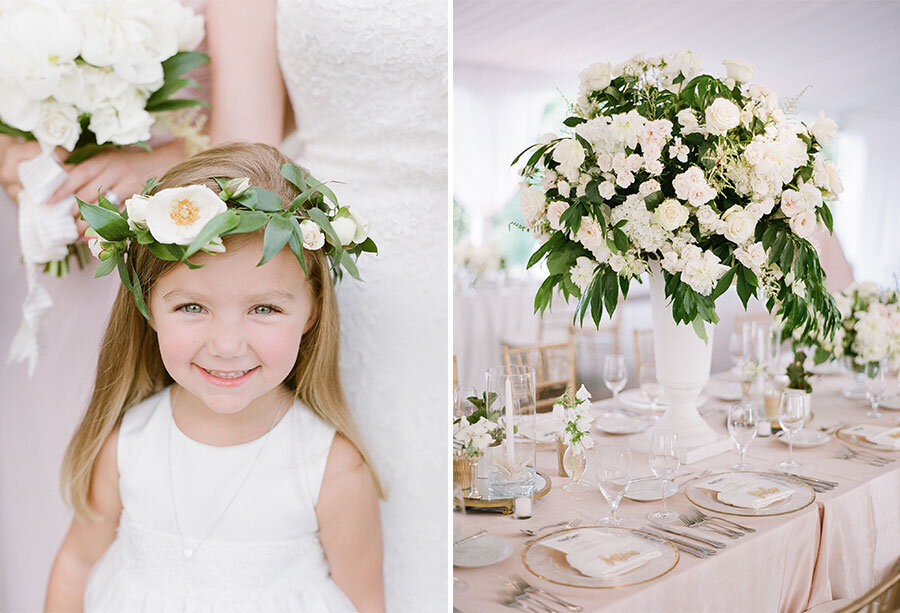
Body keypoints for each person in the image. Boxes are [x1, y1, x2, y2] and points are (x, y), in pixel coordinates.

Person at [43, 142, 385, 612]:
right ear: (148, 308)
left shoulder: (333, 468)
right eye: (192, 307)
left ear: (312, 311)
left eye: (264, 308)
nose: (227, 345)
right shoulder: (127, 444)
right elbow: (78, 563)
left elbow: (365, 601)